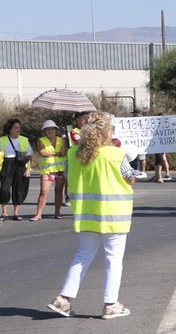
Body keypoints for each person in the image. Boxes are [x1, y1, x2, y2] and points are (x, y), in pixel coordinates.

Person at [48, 111, 136, 320]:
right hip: (114, 214)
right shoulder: (115, 153)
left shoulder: (73, 154)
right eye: (112, 129)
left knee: (83, 256)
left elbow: (69, 175)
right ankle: (110, 304)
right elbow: (129, 178)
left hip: (86, 214)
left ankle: (63, 299)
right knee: (113, 260)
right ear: (106, 132)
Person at [0, 118, 32, 221]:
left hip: (20, 165)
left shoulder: (24, 140)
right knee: (4, 188)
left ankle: (16, 213)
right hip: (7, 164)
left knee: (19, 189)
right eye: (16, 128)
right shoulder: (3, 140)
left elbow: (29, 156)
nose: (18, 130)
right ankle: (4, 213)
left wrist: (28, 169)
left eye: (19, 128)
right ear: (10, 129)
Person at [32, 120, 68, 221]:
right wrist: (56, 154)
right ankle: (38, 214)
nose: (50, 131)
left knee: (59, 191)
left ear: (56, 130)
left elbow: (63, 153)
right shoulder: (41, 140)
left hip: (60, 169)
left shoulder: (61, 140)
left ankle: (57, 213)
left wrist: (64, 141)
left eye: (52, 128)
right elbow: (42, 152)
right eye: (48, 129)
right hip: (47, 170)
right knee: (44, 191)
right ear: (44, 131)